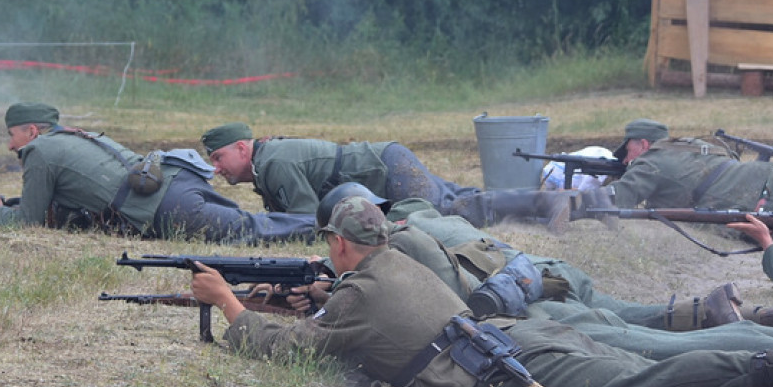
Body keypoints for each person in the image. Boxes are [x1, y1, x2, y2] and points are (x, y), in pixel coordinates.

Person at [189, 196, 773, 387]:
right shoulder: (399, 263)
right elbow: (380, 309)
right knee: (648, 366)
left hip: (502, 370)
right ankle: (751, 364)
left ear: (340, 244)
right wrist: (325, 295)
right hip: (512, 340)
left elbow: (286, 347)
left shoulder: (362, 293)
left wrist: (228, 305)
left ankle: (766, 368)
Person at [0, 102, 316, 244]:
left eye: (11, 136)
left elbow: (29, 223)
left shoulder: (39, 151)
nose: (10, 146)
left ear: (31, 131)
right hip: (177, 180)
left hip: (164, 205)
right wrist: (8, 203)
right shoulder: (70, 138)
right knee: (246, 222)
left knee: (247, 231)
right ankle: (320, 226)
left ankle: (328, 230)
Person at [199, 121, 579, 231]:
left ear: (242, 148)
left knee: (449, 210)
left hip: (386, 170)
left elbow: (302, 221)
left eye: (219, 157)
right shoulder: (269, 160)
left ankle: (547, 202)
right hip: (386, 162)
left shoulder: (275, 162)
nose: (217, 168)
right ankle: (576, 206)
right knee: (459, 196)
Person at [605, 119, 773, 211]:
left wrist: (578, 197)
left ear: (644, 145)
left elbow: (615, 199)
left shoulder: (653, 160)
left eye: (627, 152)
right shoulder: (691, 146)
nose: (625, 161)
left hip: (765, 198)